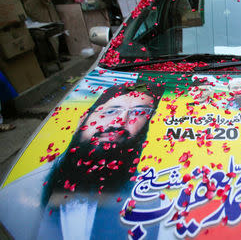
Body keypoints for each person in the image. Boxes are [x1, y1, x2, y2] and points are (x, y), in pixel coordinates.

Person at [0, 82, 166, 239]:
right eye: (110, 111)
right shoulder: (18, 195)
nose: (120, 121)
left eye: (138, 113)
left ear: (145, 131)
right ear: (82, 121)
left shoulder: (152, 201)